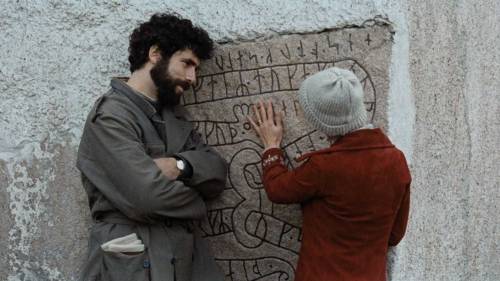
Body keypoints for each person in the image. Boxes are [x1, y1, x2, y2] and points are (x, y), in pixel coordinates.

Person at [77, 13, 227, 281]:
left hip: (184, 260)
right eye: (187, 63)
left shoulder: (173, 114)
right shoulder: (110, 116)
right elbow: (147, 198)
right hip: (136, 265)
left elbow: (216, 171)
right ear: (156, 53)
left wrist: (180, 165)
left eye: (197, 69)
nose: (193, 77)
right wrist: (198, 202)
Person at [248, 67, 411, 281]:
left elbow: (278, 189)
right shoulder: (397, 161)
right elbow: (394, 235)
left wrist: (271, 147)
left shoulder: (324, 167)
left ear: (321, 121)